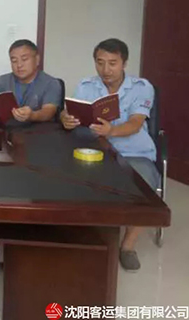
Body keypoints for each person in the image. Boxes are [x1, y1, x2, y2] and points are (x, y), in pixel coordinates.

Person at [60, 38, 158, 272]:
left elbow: (136, 123)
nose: (106, 70)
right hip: (94, 149)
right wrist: (66, 119)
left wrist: (111, 131)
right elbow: (69, 113)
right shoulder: (86, 85)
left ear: (124, 63)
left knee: (142, 188)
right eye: (100, 62)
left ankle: (128, 246)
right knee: (70, 181)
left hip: (134, 152)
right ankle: (87, 238)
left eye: (112, 63)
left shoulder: (142, 87)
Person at [0, 39, 62, 123]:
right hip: (7, 129)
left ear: (37, 59)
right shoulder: (1, 82)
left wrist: (32, 116)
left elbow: (48, 112)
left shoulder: (51, 83)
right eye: (14, 61)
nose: (19, 65)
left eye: (24, 59)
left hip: (38, 130)